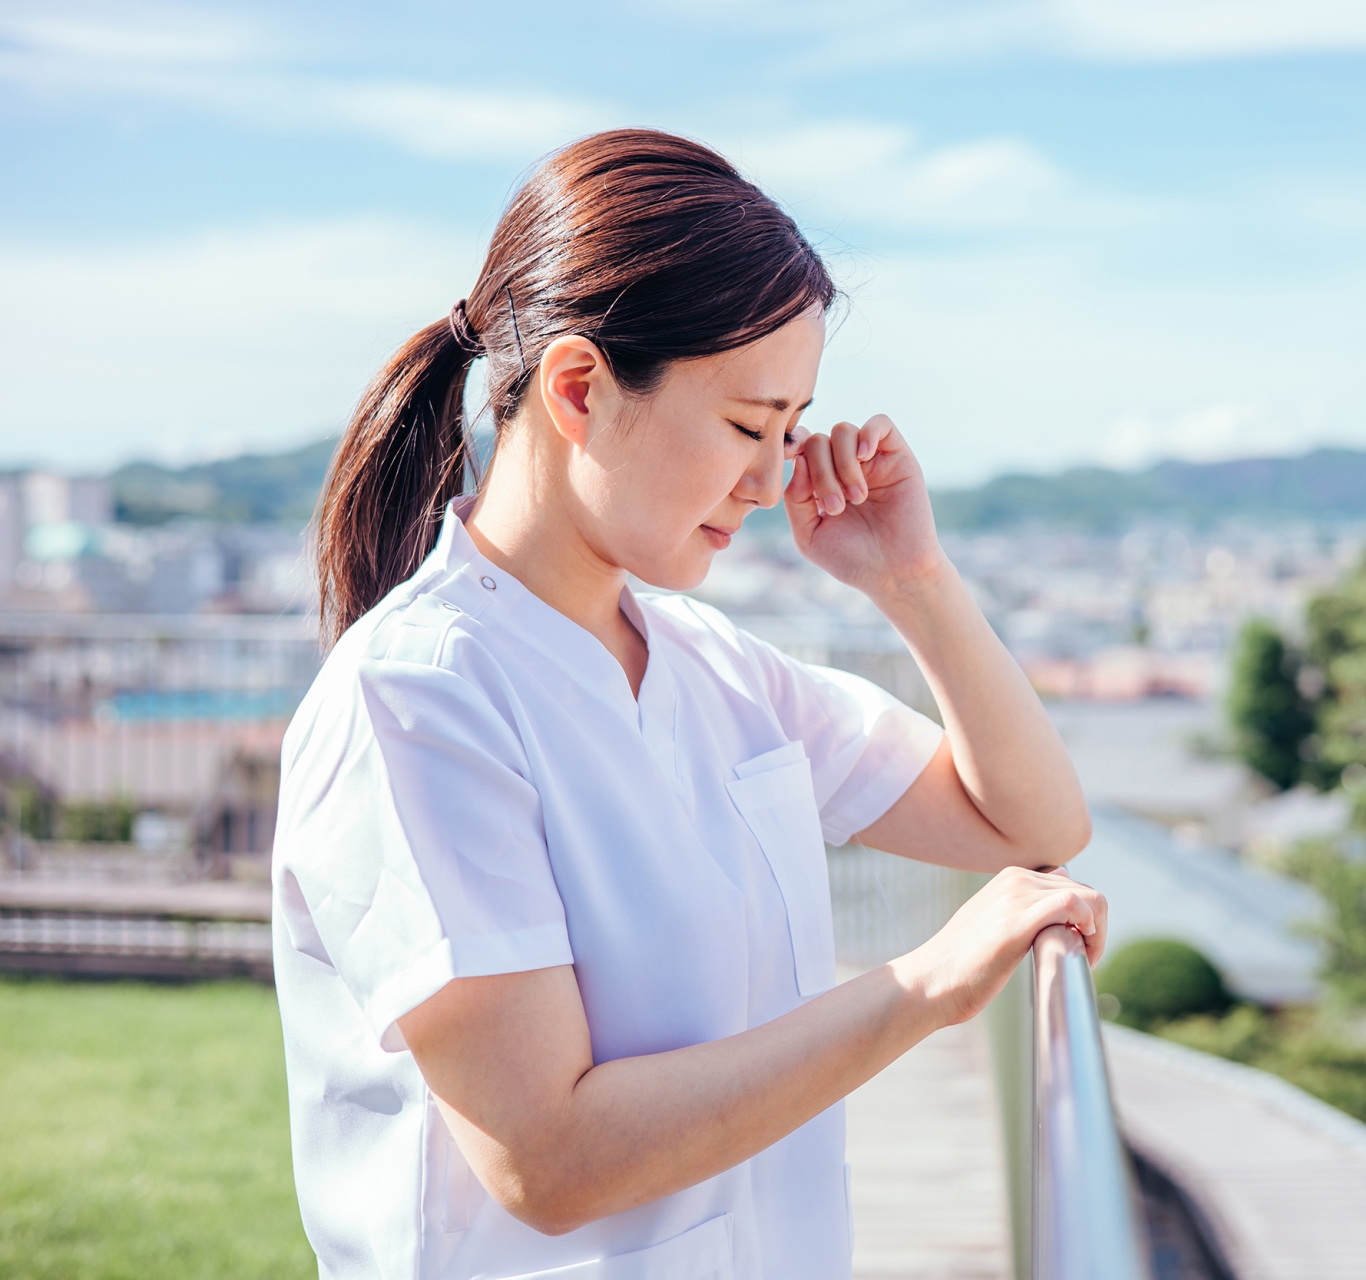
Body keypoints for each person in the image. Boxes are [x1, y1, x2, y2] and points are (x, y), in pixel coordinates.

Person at [272, 128, 1101, 1280]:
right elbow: (546, 1155)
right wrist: (922, 987)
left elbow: (1033, 822)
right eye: (747, 425)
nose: (772, 481)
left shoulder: (707, 661)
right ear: (578, 389)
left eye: (793, 429)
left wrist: (913, 582)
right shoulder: (416, 696)